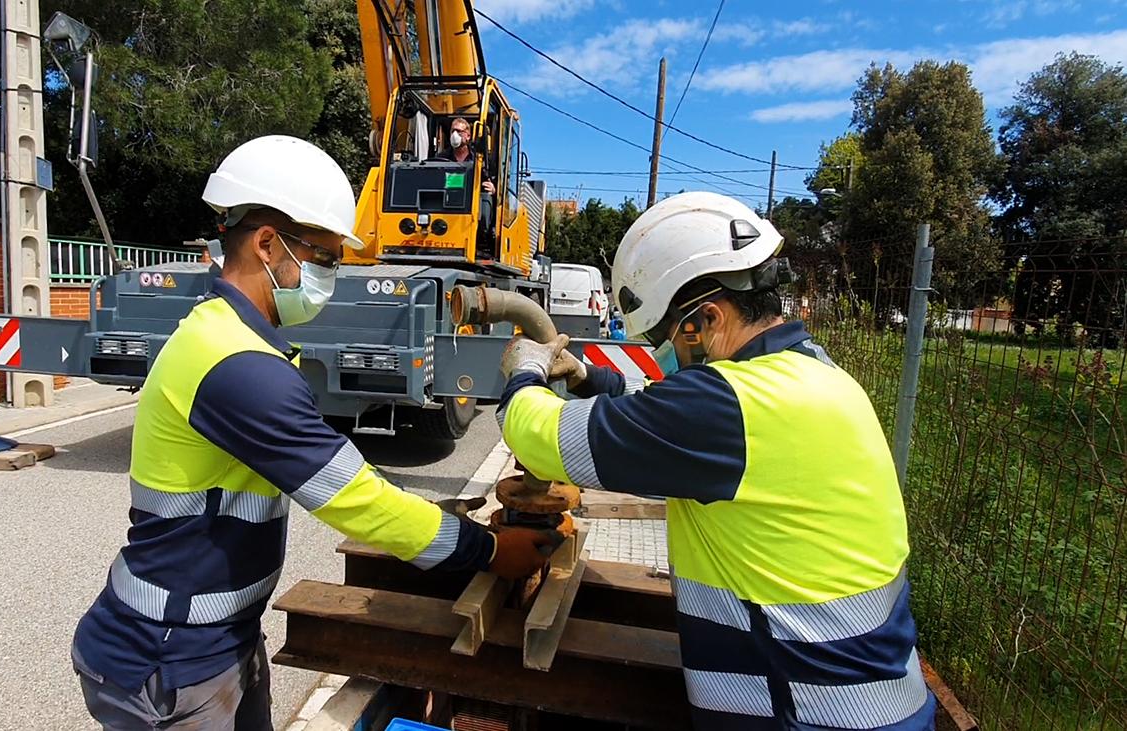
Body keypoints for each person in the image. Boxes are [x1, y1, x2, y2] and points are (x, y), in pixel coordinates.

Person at [71, 135, 557, 731]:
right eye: (324, 259)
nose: (330, 275)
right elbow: (355, 499)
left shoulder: (229, 336)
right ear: (268, 244)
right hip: (168, 658)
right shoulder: (237, 366)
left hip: (214, 641)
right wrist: (486, 550)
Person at [496, 192, 935, 730]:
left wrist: (526, 374)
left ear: (706, 318)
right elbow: (670, 405)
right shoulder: (814, 374)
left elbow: (539, 434)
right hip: (873, 700)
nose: (666, 353)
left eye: (665, 338)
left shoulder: (730, 409)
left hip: (805, 715)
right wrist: (590, 378)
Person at [440, 117, 495, 195]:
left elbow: (493, 182)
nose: (454, 135)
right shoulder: (442, 158)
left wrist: (493, 189)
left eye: (459, 131)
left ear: (468, 136)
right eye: (452, 131)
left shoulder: (480, 159)